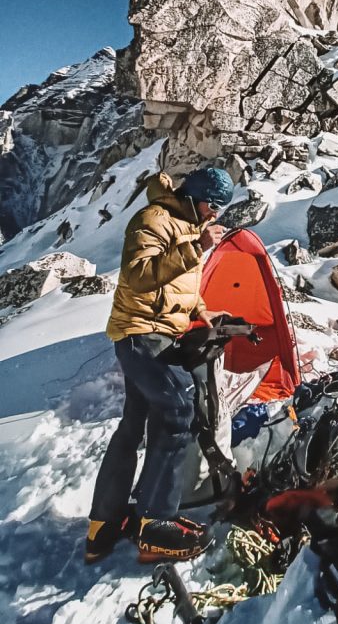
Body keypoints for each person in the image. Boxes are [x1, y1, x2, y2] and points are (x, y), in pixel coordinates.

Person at [85, 166, 235, 564]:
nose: (215, 214)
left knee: (136, 423)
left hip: (160, 333)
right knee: (179, 408)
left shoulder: (186, 223)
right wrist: (195, 248)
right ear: (195, 196)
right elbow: (138, 276)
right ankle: (155, 522)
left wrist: (203, 312)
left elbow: (179, 286)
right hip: (139, 334)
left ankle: (104, 522)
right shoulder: (154, 219)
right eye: (213, 205)